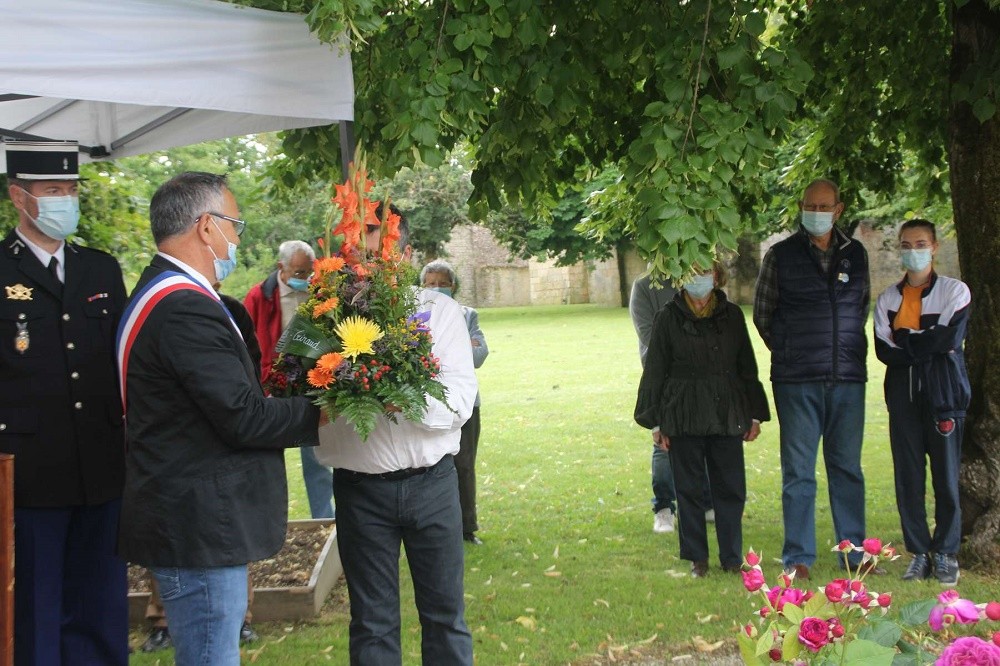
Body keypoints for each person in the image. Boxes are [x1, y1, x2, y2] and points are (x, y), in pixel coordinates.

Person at [117, 172, 322, 666]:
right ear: (207, 227)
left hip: (191, 516)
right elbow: (244, 418)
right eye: (235, 224)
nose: (236, 238)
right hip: (198, 525)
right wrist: (328, 410)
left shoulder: (171, 292)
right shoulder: (182, 306)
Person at [316, 210, 478, 665]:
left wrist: (396, 395)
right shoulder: (320, 318)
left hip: (432, 485)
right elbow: (300, 398)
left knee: (445, 617)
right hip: (359, 491)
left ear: (401, 253)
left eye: (373, 251)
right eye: (351, 250)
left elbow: (459, 402)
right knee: (371, 624)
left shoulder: (439, 312)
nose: (360, 262)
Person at [1, 140, 129, 665]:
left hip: (100, 464)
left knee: (100, 600)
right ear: (19, 197)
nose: (65, 201)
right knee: (36, 606)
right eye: (53, 191)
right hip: (30, 471)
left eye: (72, 189)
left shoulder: (99, 269)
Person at [753, 178, 879, 580]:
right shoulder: (780, 255)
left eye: (825, 207)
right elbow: (763, 314)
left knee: (846, 467)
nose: (818, 213)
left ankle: (854, 553)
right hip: (796, 380)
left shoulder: (855, 254)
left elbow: (860, 309)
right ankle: (798, 558)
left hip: (847, 377)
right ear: (801, 207)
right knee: (799, 471)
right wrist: (793, 350)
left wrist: (837, 348)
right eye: (811, 206)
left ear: (838, 210)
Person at [139, 286, 261, 652]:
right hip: (188, 482)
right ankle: (161, 620)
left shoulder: (232, 311)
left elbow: (250, 375)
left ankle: (243, 618)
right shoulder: (174, 311)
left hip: (226, 474)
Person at [635, 263, 769, 577]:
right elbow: (655, 371)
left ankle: (732, 557)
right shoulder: (667, 317)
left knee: (730, 488)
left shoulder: (732, 315)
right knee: (689, 489)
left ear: (717, 276)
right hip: (682, 412)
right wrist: (655, 422)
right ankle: (698, 558)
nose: (699, 277)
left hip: (726, 411)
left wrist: (753, 413)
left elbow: (746, 366)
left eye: (706, 270)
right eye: (693, 271)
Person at [874, 219, 970, 586]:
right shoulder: (888, 299)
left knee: (946, 479)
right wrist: (923, 340)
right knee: (908, 480)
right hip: (903, 400)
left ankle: (945, 552)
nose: (912, 251)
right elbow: (885, 351)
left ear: (934, 247)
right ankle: (919, 553)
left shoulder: (955, 292)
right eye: (906, 244)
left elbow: (948, 339)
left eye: (920, 243)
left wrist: (907, 339)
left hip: (944, 397)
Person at [244, 239, 334, 520]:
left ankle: (323, 519)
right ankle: (269, 521)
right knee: (268, 461)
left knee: (316, 460)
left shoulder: (318, 293)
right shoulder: (259, 297)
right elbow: (246, 346)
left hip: (308, 386)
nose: (305, 278)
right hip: (269, 388)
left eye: (309, 272)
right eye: (298, 273)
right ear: (280, 267)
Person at [629, 269, 714, 534]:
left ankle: (707, 501)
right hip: (663, 378)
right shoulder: (644, 287)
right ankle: (664, 508)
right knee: (665, 444)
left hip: (704, 375)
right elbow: (649, 337)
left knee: (707, 437)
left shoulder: (701, 281)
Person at [420, 258, 489, 545]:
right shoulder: (413, 315)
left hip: (465, 404)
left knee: (463, 466)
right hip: (425, 403)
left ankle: (466, 528)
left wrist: (454, 350)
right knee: (426, 467)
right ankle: (429, 528)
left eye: (443, 284)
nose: (436, 289)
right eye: (430, 284)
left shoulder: (467, 315)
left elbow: (478, 355)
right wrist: (458, 347)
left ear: (454, 287)